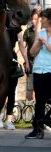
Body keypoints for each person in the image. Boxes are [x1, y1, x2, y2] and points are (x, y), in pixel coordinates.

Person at [26, 8, 51, 139]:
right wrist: (38, 45)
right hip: (38, 70)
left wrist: (46, 43)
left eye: (44, 19)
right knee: (39, 101)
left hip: (50, 71)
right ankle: (37, 129)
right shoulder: (41, 33)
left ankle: (46, 120)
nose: (42, 21)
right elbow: (31, 53)